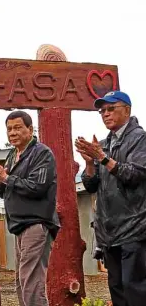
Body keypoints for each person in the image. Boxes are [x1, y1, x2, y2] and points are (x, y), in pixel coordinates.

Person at [0, 110, 60, 306]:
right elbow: (4, 192)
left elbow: (38, 187)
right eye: (9, 129)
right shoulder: (12, 155)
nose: (12, 133)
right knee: (20, 281)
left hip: (36, 223)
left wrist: (6, 178)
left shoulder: (42, 153)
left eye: (17, 128)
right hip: (19, 225)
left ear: (30, 129)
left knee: (31, 281)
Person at [75, 91, 146, 306]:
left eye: (111, 108)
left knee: (135, 289)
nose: (105, 114)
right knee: (117, 289)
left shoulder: (140, 139)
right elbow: (91, 185)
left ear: (127, 109)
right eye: (102, 111)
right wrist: (89, 163)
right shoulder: (104, 143)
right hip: (109, 232)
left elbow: (134, 175)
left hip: (135, 228)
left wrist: (102, 158)